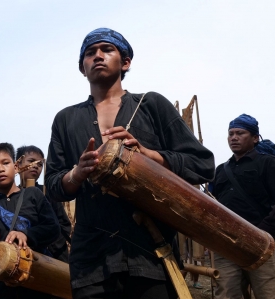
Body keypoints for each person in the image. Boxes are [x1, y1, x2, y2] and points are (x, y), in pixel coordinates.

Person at [45, 27, 215, 299]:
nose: (98, 56)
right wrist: (77, 173)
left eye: (107, 50)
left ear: (125, 62)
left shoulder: (151, 105)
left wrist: (150, 156)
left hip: (151, 253)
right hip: (92, 259)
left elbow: (203, 164)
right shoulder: (65, 119)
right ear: (82, 68)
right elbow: (52, 185)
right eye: (90, 53)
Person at [0, 143, 60, 299]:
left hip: (37, 282)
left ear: (16, 166)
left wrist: (27, 234)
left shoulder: (34, 195)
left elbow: (53, 229)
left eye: (6, 163)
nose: (1, 169)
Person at [211, 114, 275, 299]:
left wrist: (264, 232)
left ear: (255, 138)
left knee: (268, 294)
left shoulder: (268, 162)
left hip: (262, 242)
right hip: (227, 242)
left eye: (240, 133)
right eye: (231, 133)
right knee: (226, 293)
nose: (234, 138)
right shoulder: (221, 170)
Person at [16, 145, 72, 262]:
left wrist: (47, 243)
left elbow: (63, 225)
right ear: (18, 165)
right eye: (31, 161)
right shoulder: (12, 195)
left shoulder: (48, 193)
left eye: (40, 164)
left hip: (51, 255)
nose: (36, 166)